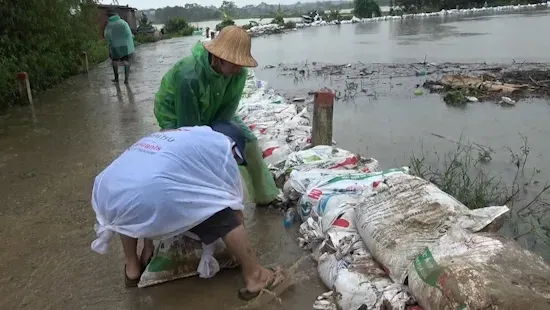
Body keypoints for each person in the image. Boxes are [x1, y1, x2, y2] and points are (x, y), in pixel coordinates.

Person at [90, 122, 289, 300]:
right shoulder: (221, 147)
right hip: (146, 189)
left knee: (129, 205)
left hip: (108, 189)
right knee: (222, 213)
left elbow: (140, 188)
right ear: (234, 148)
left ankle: (132, 268)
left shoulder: (180, 135)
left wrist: (147, 244)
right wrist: (237, 252)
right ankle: (256, 276)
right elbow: (232, 204)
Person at [154, 26, 280, 207]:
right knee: (186, 155)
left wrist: (222, 138)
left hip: (215, 107)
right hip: (176, 113)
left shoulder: (238, 74)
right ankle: (187, 207)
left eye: (241, 64)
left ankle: (265, 196)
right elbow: (187, 127)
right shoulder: (189, 76)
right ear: (219, 58)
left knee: (249, 141)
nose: (238, 69)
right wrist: (206, 144)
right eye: (235, 63)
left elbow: (227, 110)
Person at [104, 10, 135, 84]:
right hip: (126, 46)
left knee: (115, 62)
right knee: (126, 62)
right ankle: (126, 80)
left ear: (109, 16)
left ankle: (116, 78)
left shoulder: (109, 25)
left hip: (115, 46)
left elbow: (107, 35)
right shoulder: (123, 23)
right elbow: (129, 34)